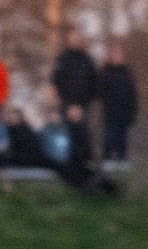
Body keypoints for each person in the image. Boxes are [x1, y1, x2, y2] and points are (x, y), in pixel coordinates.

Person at [100, 43, 138, 171]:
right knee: (110, 136)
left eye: (120, 54)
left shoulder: (127, 72)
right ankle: (108, 159)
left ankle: (121, 159)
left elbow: (132, 93)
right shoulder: (106, 71)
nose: (118, 56)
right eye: (115, 53)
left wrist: (133, 109)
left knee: (123, 137)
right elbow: (101, 91)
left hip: (125, 111)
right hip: (111, 111)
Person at [52, 31, 99, 116]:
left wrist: (83, 104)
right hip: (65, 106)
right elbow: (57, 81)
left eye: (77, 39)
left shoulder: (87, 60)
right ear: (68, 40)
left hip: (84, 108)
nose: (75, 41)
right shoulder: (62, 59)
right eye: (72, 39)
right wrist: (68, 104)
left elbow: (93, 83)